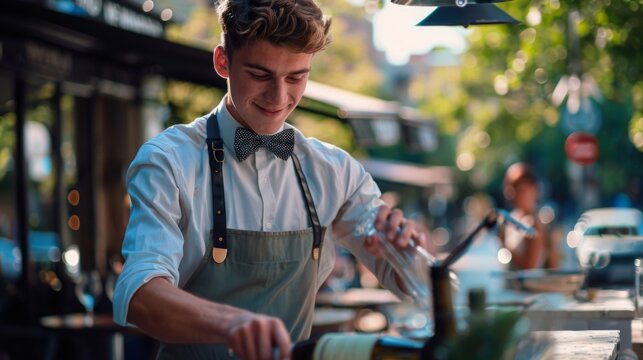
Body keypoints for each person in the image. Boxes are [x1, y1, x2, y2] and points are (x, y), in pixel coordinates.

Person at [112, 1, 427, 359]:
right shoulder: (167, 160)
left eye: (296, 77)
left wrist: (407, 251)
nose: (279, 98)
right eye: (261, 75)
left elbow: (410, 284)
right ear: (222, 62)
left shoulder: (335, 171)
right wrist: (231, 324)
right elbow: (139, 293)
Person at [499, 162, 558, 270]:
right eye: (511, 187)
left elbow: (528, 268)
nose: (513, 193)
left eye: (520, 188)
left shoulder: (533, 224)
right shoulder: (512, 219)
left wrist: (505, 246)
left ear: (534, 189)